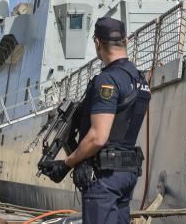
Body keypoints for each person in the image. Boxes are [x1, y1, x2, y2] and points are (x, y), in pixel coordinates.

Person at [42, 17, 151, 224]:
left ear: (97, 43)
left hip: (105, 178)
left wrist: (66, 164)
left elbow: (98, 138)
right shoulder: (140, 80)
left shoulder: (107, 80)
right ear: (125, 40)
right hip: (127, 173)